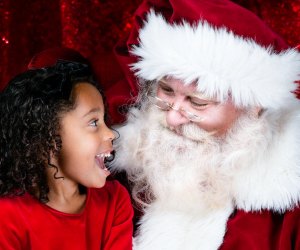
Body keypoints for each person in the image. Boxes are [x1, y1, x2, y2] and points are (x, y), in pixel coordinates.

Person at [109, 0, 300, 249]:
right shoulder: (114, 163)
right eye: (166, 90)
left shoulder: (285, 204)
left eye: (198, 103)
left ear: (253, 108)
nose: (172, 118)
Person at [0, 47, 133, 250]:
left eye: (105, 120)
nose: (111, 134)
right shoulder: (7, 215)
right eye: (94, 122)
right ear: (47, 138)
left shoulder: (114, 200)